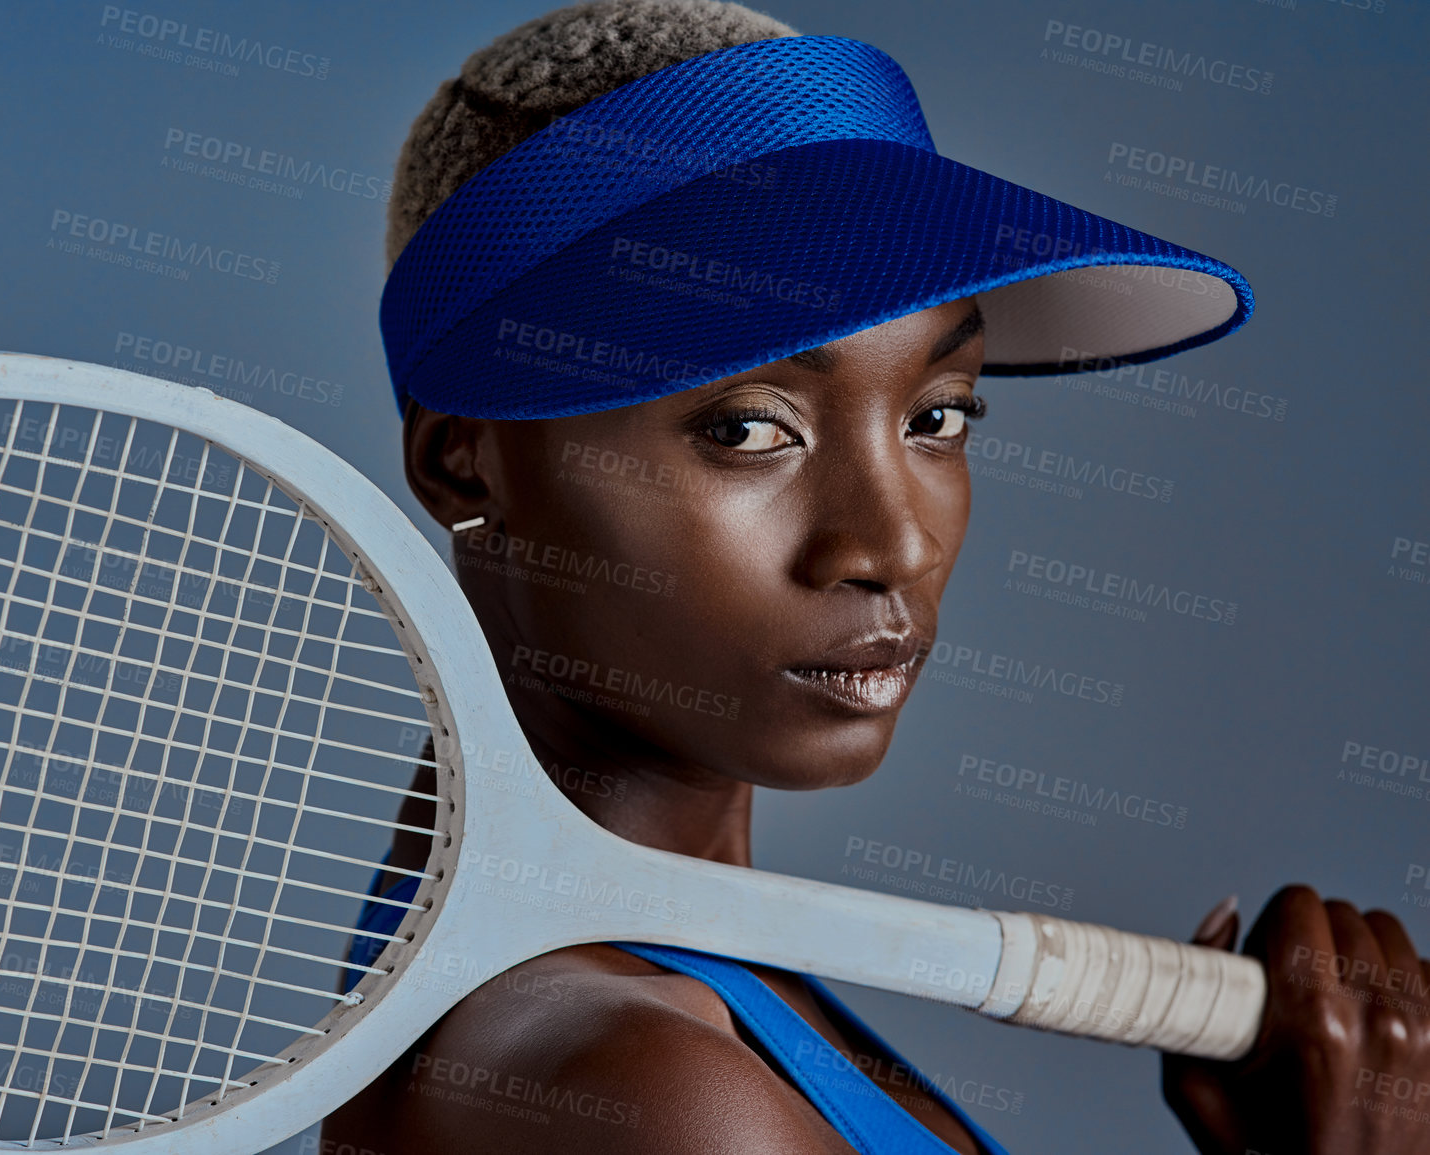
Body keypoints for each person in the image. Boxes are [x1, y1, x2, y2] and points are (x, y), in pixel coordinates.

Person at [324, 2, 1430, 1152]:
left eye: (937, 414)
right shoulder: (637, 1086)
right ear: (465, 459)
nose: (892, 548)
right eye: (749, 430)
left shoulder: (684, 992)